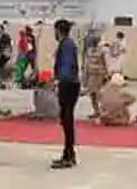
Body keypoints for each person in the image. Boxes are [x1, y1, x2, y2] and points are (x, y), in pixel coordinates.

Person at [51, 18, 79, 170]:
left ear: (58, 30)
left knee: (67, 120)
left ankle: (69, 155)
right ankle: (68, 153)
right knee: (66, 119)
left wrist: (60, 81)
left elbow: (67, 66)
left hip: (68, 85)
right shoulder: (68, 43)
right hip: (70, 84)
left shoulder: (67, 44)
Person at [84, 36, 109, 119]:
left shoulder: (102, 51)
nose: (93, 42)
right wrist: (85, 77)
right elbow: (86, 64)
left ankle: (103, 111)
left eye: (95, 41)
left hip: (99, 74)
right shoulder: (88, 51)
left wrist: (106, 74)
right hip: (91, 74)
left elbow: (105, 62)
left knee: (100, 94)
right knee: (92, 94)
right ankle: (96, 111)